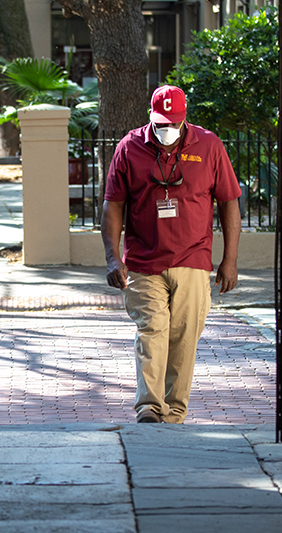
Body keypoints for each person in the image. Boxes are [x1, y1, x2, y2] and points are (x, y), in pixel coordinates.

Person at [101, 85, 241, 423]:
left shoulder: (209, 146)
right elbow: (113, 205)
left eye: (174, 123)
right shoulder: (129, 148)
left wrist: (230, 260)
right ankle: (149, 405)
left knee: (183, 336)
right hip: (144, 262)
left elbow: (229, 202)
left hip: (193, 259)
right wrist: (112, 256)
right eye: (161, 123)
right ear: (151, 115)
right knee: (152, 330)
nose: (167, 130)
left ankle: (175, 409)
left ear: (184, 117)